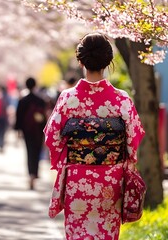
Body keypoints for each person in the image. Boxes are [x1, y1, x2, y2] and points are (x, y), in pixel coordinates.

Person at [44, 33, 145, 239]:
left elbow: (52, 137)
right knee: (106, 233)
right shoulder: (121, 99)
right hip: (110, 180)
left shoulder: (68, 98)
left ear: (80, 60)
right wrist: (128, 159)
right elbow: (133, 138)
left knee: (78, 233)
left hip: (77, 179)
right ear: (108, 61)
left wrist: (65, 158)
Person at [14, 77, 49, 190]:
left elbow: (18, 117)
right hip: (38, 130)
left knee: (29, 152)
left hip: (27, 130)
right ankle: (35, 174)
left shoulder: (22, 100)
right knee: (37, 152)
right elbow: (44, 117)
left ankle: (31, 175)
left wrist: (18, 131)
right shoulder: (41, 100)